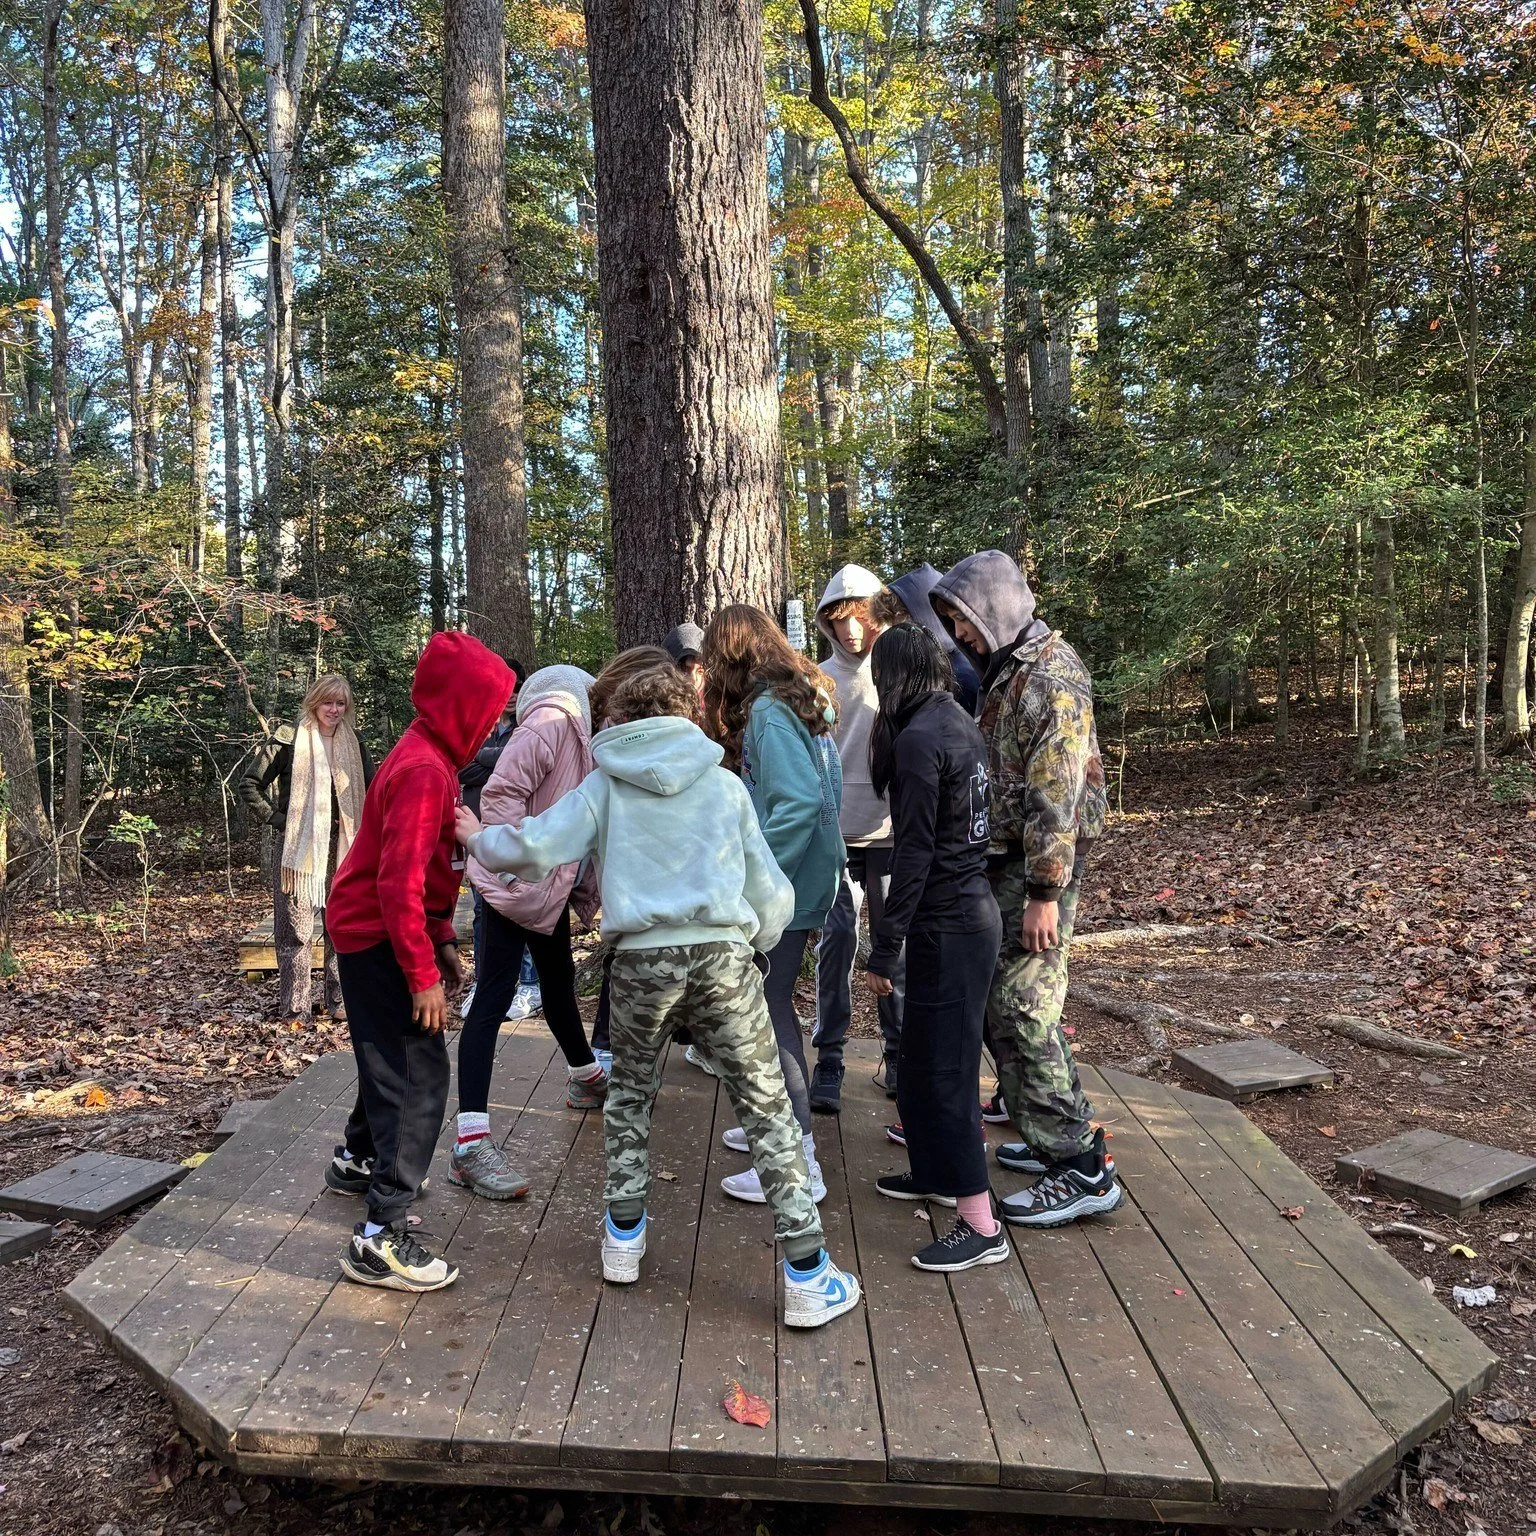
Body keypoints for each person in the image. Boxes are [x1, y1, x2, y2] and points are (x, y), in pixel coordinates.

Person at [456, 662, 861, 1329]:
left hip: (640, 965)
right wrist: (754, 938)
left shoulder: (604, 787)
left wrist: (476, 837)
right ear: (687, 714)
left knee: (630, 1100)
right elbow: (770, 894)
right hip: (723, 961)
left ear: (621, 719)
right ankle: (808, 1274)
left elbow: (533, 850)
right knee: (765, 1110)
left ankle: (622, 1237)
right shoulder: (725, 787)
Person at [930, 550, 1121, 1228]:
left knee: (1021, 1007)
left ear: (996, 609)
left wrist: (1045, 891)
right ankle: (1051, 1136)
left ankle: (1079, 1166)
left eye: (965, 620)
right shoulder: (1007, 670)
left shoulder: (1052, 679)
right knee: (1000, 1005)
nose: (960, 636)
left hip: (1040, 870)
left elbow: (1057, 795)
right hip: (1008, 861)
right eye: (952, 623)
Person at [324, 632, 514, 1291]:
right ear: (460, 707)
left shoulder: (433, 760)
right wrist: (422, 977)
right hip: (375, 936)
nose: (493, 723)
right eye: (488, 711)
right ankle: (380, 1237)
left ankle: (356, 1158)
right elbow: (394, 885)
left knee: (389, 1056)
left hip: (384, 933)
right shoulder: (422, 772)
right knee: (419, 1076)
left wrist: (440, 939)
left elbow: (431, 872)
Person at [860, 626, 1006, 1271]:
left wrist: (882, 944)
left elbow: (914, 851)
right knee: (918, 1059)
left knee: (946, 1073)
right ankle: (933, 1172)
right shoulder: (956, 721)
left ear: (892, 676)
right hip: (954, 919)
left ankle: (980, 1222)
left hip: (950, 924)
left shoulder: (920, 738)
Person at [701, 606, 844, 1206]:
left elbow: (801, 803)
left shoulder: (768, 710)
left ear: (731, 657)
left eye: (712, 658)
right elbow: (824, 791)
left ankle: (797, 1161)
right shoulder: (799, 697)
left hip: (789, 883)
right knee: (770, 1001)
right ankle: (784, 1130)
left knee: (770, 1007)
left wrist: (755, 873)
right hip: (811, 876)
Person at [455, 666, 607, 1198]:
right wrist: (522, 864)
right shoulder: (548, 721)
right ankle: (469, 1142)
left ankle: (587, 1077)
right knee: (492, 997)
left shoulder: (579, 732)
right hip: (515, 887)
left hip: (547, 886)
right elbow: (499, 797)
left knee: (558, 981)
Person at [808, 565, 899, 1113]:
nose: (853, 633)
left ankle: (897, 1053)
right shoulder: (816, 679)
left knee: (895, 951)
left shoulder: (897, 674)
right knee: (836, 942)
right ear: (827, 623)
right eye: (841, 621)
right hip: (835, 838)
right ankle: (830, 1057)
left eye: (863, 620)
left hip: (889, 832)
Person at [239, 675, 372, 1027]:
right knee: (295, 930)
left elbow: (373, 792)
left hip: (344, 847)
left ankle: (339, 1001)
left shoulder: (354, 743)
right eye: (328, 702)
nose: (334, 709)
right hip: (299, 849)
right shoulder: (288, 740)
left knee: (342, 926)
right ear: (314, 702)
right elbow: (250, 785)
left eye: (341, 703)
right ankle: (296, 1008)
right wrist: (281, 820)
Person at [584, 646, 677, 1069]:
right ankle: (607, 1049)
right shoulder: (609, 738)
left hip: (647, 912)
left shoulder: (614, 769)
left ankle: (614, 1053)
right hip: (633, 884)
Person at [457, 661, 541, 1024]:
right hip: (477, 833)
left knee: (520, 907)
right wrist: (496, 761)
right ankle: (485, 982)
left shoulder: (531, 728)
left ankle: (528, 984)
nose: (512, 695)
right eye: (506, 688)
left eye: (518, 686)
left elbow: (524, 765)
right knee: (481, 912)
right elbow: (461, 765)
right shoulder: (480, 727)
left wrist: (483, 761)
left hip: (517, 833)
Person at [871, 566, 981, 714]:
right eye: (892, 625)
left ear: (925, 616)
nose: (896, 633)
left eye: (900, 623)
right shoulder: (928, 669)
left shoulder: (961, 677)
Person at [662, 623, 706, 698]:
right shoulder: (656, 706)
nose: (693, 680)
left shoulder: (714, 705)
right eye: (685, 671)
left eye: (700, 672)